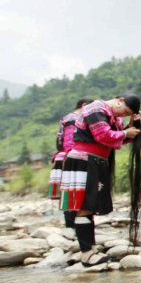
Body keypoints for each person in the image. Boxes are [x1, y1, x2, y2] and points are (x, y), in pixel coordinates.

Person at [58, 94, 141, 265]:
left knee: (89, 206)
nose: (122, 115)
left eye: (126, 115)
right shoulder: (96, 109)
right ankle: (87, 254)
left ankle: (90, 250)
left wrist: (129, 128)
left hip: (94, 161)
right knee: (84, 206)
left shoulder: (111, 116)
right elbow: (103, 135)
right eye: (124, 111)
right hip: (85, 161)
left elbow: (116, 139)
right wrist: (126, 132)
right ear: (119, 100)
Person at [49, 98, 93, 228]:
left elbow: (60, 141)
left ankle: (71, 226)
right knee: (76, 191)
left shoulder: (65, 118)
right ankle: (75, 226)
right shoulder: (76, 118)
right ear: (84, 106)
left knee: (68, 192)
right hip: (72, 157)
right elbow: (70, 141)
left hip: (63, 156)